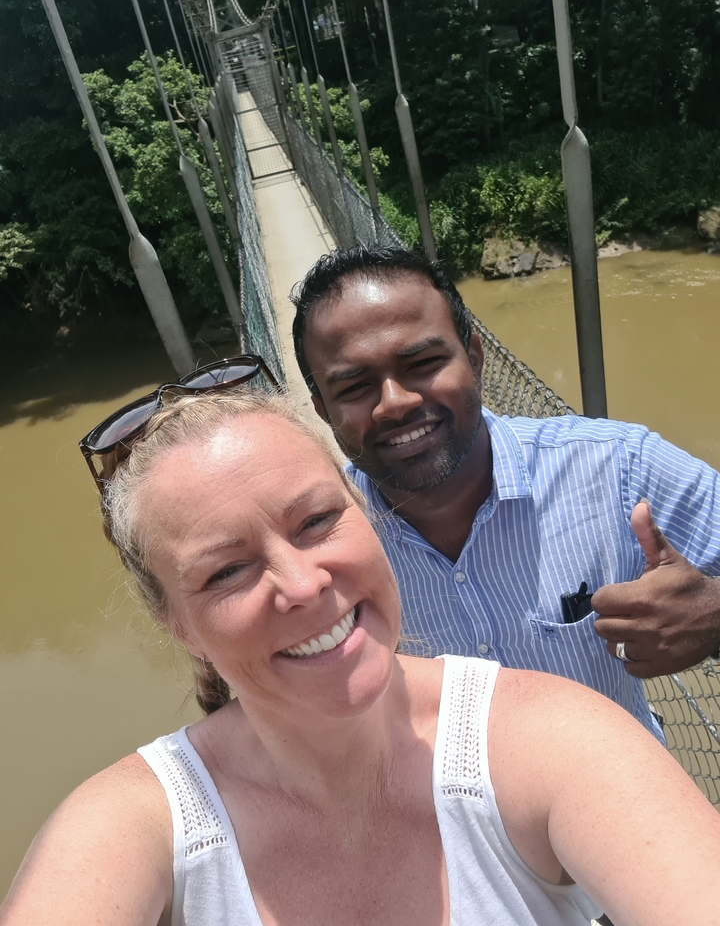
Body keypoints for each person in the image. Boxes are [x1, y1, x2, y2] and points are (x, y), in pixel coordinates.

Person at [2, 388, 720, 926]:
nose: (302, 584)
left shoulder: (551, 739)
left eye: (317, 520)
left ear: (366, 511)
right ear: (177, 624)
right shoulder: (134, 826)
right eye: (227, 571)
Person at [291, 245, 720, 740]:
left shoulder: (618, 468)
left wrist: (714, 614)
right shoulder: (316, 550)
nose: (395, 403)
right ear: (322, 409)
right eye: (354, 388)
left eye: (423, 363)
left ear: (474, 358)